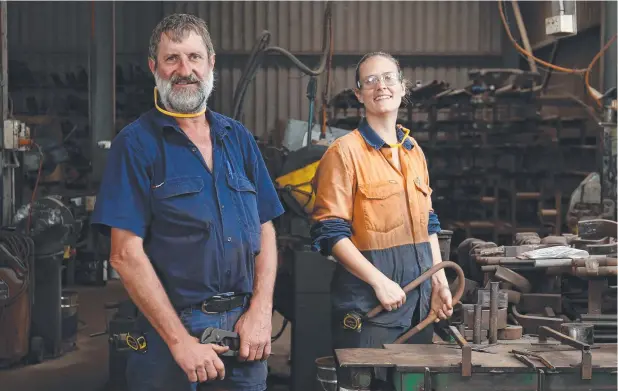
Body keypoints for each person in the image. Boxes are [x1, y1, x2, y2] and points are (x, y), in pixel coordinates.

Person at [90, 13, 284, 391]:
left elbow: (266, 228)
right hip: (171, 335)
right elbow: (124, 254)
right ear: (154, 68)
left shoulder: (237, 137)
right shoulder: (136, 143)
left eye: (194, 57)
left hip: (243, 329)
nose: (185, 69)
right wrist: (180, 342)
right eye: (172, 58)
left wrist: (261, 310)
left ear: (211, 63)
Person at [310, 52, 454, 355]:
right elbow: (330, 233)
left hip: (419, 309)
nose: (381, 86)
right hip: (370, 313)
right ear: (359, 95)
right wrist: (379, 282)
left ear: (403, 88)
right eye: (371, 81)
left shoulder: (414, 152)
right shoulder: (344, 153)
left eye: (389, 78)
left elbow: (429, 224)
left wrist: (438, 281)